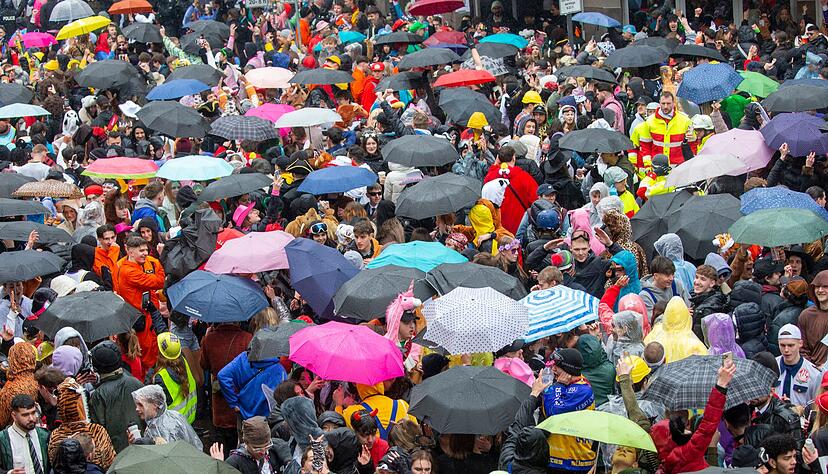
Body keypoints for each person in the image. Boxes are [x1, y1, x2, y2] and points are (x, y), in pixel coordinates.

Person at [660, 359, 735, 474]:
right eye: (686, 425)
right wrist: (721, 385)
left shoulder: (664, 455)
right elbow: (708, 425)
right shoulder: (689, 451)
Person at [115, 235, 166, 370]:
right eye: (141, 251)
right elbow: (160, 282)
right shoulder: (130, 271)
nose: (145, 254)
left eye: (146, 250)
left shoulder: (124, 265)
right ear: (130, 251)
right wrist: (157, 265)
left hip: (140, 318)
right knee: (147, 358)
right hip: (140, 322)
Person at [541, 348, 596, 472]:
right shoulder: (565, 384)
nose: (553, 369)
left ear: (568, 370)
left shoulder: (583, 390)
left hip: (574, 462)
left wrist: (557, 386)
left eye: (557, 366)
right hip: (555, 459)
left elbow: (554, 412)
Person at [88, 340, 144, 453]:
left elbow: (99, 431)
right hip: (142, 447)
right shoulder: (136, 382)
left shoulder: (98, 395)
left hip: (117, 454)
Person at [130, 385, 202, 449]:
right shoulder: (158, 422)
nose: (137, 409)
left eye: (141, 405)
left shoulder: (166, 428)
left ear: (155, 405)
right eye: (136, 405)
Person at [637, 91, 694, 166]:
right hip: (657, 167)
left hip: (678, 167)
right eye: (663, 103)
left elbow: (692, 145)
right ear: (659, 103)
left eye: (668, 103)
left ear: (673, 103)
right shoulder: (649, 121)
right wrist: (648, 166)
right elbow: (645, 147)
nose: (666, 106)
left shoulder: (685, 120)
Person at [151, 332, 197, 424]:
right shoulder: (183, 361)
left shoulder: (161, 377)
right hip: (189, 420)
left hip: (174, 427)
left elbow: (156, 409)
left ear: (160, 352)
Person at [775, 324, 821, 412]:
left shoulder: (814, 374)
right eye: (782, 345)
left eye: (791, 345)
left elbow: (815, 408)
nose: (786, 350)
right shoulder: (772, 365)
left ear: (800, 343)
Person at [639, 256, 690, 322]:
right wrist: (680, 313)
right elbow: (653, 321)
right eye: (667, 275)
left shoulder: (676, 284)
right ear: (656, 276)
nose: (671, 278)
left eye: (672, 274)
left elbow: (689, 306)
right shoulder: (645, 295)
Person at [799, 270, 828, 367]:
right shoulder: (806, 315)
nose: (820, 290)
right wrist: (812, 368)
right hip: (812, 372)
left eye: (825, 286)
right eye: (817, 286)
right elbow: (802, 347)